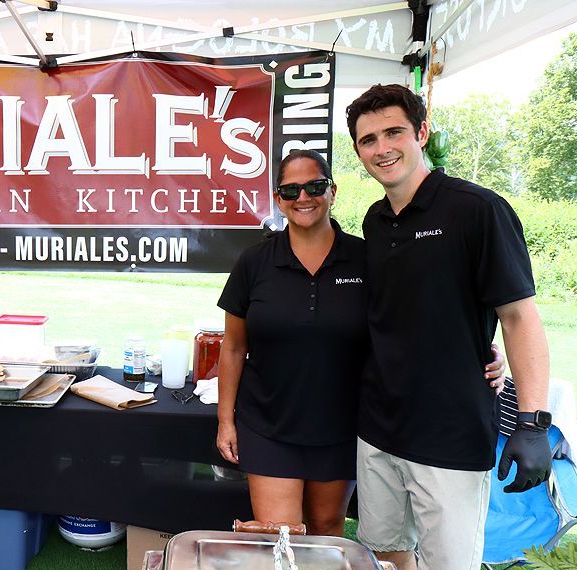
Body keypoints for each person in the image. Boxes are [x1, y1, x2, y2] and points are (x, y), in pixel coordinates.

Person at [347, 84, 552, 570]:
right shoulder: (375, 220)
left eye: (393, 132)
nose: (382, 148)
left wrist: (533, 421)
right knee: (387, 559)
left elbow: (519, 317)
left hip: (450, 434)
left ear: (421, 132)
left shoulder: (477, 209)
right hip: (379, 426)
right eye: (368, 139)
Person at [215, 150, 505, 538]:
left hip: (344, 426)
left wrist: (483, 350)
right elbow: (234, 348)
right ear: (278, 199)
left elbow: (412, 323)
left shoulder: (366, 258)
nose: (304, 197)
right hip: (268, 424)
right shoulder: (254, 262)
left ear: (332, 191)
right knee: (279, 535)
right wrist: (226, 421)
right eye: (291, 190)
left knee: (325, 532)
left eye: (315, 186)